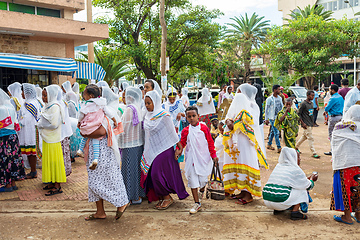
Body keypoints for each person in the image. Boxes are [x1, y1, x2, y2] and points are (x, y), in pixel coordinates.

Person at [81, 97, 129, 221]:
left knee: (100, 180)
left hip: (103, 152)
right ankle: (100, 211)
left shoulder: (104, 113)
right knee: (97, 179)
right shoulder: (93, 113)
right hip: (94, 150)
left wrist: (85, 133)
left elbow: (101, 132)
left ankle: (121, 202)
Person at [143, 91, 189, 210]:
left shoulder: (164, 115)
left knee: (156, 175)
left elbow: (172, 134)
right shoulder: (147, 117)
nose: (147, 105)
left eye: (149, 103)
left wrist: (179, 148)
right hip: (153, 150)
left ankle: (167, 198)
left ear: (156, 102)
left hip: (164, 149)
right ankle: (164, 197)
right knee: (154, 175)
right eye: (146, 103)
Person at [223, 84, 268, 204]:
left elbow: (251, 125)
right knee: (239, 164)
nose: (237, 93)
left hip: (247, 143)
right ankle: (242, 191)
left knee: (246, 163)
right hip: (238, 143)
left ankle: (248, 195)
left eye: (239, 91)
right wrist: (228, 121)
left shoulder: (253, 106)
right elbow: (231, 116)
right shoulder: (239, 104)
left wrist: (235, 124)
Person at [176, 106, 218, 214]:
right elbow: (182, 143)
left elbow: (210, 142)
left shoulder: (204, 128)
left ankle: (202, 190)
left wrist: (214, 155)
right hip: (191, 159)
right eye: (189, 116)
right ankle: (196, 203)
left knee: (203, 180)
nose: (191, 118)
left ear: (198, 116)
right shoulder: (186, 130)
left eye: (194, 116)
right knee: (193, 180)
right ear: (186, 118)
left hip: (203, 158)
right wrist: (178, 150)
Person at [263, 147, 317, 220]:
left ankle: (279, 210)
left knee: (287, 187)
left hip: (267, 200)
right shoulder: (295, 169)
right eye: (298, 157)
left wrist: (308, 178)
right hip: (280, 201)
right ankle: (295, 212)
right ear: (293, 158)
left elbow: (292, 181)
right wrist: (312, 180)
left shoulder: (278, 166)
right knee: (301, 189)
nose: (300, 160)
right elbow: (308, 186)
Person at [331, 105, 360, 225]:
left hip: (345, 164)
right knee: (358, 189)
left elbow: (334, 145)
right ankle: (358, 215)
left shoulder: (340, 127)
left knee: (346, 189)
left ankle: (347, 217)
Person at [77, 85, 118, 170]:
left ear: (91, 96)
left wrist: (79, 122)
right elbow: (108, 112)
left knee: (86, 135)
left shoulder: (86, 104)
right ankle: (95, 159)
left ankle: (80, 149)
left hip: (88, 125)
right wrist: (114, 120)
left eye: (84, 94)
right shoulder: (101, 103)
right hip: (97, 125)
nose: (83, 96)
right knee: (96, 140)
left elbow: (81, 115)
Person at [37, 85, 66, 196]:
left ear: (51, 95)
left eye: (45, 95)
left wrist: (40, 125)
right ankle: (52, 182)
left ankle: (57, 185)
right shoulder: (48, 106)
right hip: (47, 137)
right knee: (49, 161)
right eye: (43, 95)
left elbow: (53, 124)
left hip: (53, 138)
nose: (43, 97)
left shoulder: (55, 107)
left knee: (55, 161)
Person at [119, 87, 145, 205]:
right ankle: (137, 194)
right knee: (135, 171)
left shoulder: (129, 109)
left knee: (129, 171)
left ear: (130, 97)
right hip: (137, 144)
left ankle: (131, 196)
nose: (123, 99)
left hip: (129, 145)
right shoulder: (137, 108)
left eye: (124, 96)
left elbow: (122, 128)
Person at [0, 89, 24, 192]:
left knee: (5, 161)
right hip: (13, 137)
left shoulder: (1, 109)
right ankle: (13, 183)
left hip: (4, 138)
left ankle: (8, 185)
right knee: (13, 160)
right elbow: (16, 124)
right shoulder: (11, 107)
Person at [18, 83, 41, 179]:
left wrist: (19, 121)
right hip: (28, 129)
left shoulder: (30, 103)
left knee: (31, 151)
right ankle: (32, 170)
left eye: (23, 91)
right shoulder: (30, 101)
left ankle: (33, 171)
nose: (21, 93)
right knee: (30, 151)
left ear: (27, 92)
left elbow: (26, 118)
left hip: (30, 130)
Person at [295, 90, 320, 159]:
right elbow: (299, 114)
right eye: (312, 95)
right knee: (310, 138)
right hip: (306, 124)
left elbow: (311, 114)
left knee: (304, 136)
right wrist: (302, 123)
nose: (313, 97)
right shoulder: (303, 103)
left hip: (310, 123)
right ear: (308, 95)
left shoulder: (311, 103)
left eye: (313, 95)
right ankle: (313, 152)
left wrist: (312, 123)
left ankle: (296, 147)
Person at [324, 84, 344, 156]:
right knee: (339, 133)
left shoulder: (333, 98)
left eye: (329, 89)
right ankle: (339, 150)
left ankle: (332, 150)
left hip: (333, 117)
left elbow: (327, 108)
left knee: (331, 134)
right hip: (340, 116)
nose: (329, 91)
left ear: (332, 90)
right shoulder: (340, 97)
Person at [57, 86, 73, 176]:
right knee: (65, 152)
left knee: (61, 153)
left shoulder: (58, 104)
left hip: (60, 132)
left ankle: (61, 173)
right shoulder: (62, 102)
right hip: (64, 131)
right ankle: (64, 171)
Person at [265, 85, 283, 153]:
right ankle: (279, 147)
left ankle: (269, 144)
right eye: (278, 89)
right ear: (275, 90)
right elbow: (266, 109)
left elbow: (281, 107)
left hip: (278, 117)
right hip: (272, 118)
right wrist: (266, 119)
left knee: (273, 131)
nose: (280, 91)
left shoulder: (280, 98)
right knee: (276, 132)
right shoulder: (270, 99)